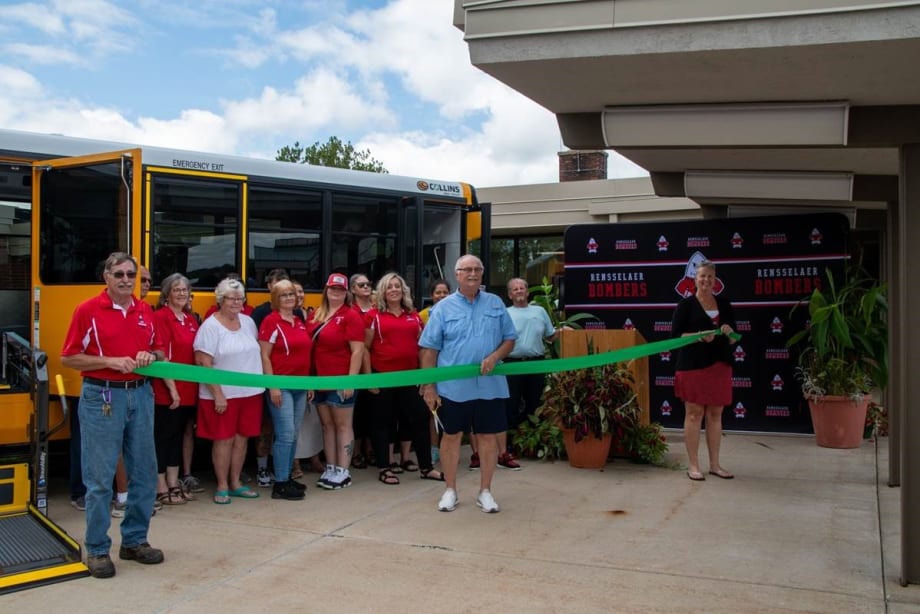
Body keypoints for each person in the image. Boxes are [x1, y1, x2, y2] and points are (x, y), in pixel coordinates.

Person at [60, 251, 166, 579]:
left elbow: (160, 350)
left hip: (141, 394)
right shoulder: (87, 310)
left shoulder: (145, 311)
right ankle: (97, 548)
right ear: (106, 276)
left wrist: (152, 355)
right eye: (118, 274)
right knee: (100, 478)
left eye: (130, 275)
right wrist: (110, 361)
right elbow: (69, 358)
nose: (125, 280)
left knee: (146, 473)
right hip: (101, 395)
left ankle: (134, 541)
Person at [419, 255, 516, 513]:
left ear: (482, 274)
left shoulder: (496, 303)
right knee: (451, 438)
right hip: (452, 388)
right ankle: (450, 490)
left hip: (490, 385)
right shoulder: (442, 308)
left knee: (487, 438)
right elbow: (428, 350)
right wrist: (429, 386)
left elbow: (509, 339)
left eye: (477, 269)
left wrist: (496, 356)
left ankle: (485, 491)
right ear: (457, 275)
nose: (472, 273)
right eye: (467, 270)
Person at [366, 272, 444, 486]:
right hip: (383, 377)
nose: (393, 290)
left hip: (410, 378)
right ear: (383, 291)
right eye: (389, 287)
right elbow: (365, 347)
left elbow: (422, 347)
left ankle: (426, 467)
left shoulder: (413, 315)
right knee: (383, 424)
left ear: (403, 291)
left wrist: (424, 376)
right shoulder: (373, 316)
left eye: (397, 286)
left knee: (419, 420)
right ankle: (385, 467)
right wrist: (369, 377)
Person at [193, 278, 265, 504]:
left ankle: (236, 482)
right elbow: (203, 363)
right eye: (231, 298)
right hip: (222, 396)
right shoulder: (210, 326)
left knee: (242, 439)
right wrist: (218, 394)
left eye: (240, 298)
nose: (236, 302)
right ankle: (222, 484)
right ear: (220, 300)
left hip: (250, 393)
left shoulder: (248, 322)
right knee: (223, 439)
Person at [670, 259, 737, 482]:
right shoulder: (685, 306)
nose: (706, 280)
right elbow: (675, 338)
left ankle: (715, 465)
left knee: (715, 415)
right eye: (702, 276)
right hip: (692, 366)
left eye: (710, 276)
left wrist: (728, 333)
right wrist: (698, 335)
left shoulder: (725, 305)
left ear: (715, 280)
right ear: (695, 279)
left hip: (719, 365)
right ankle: (693, 465)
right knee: (694, 414)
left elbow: (732, 340)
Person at [310, 273, 365, 490]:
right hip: (319, 380)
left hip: (341, 380)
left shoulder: (351, 316)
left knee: (343, 425)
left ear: (346, 293)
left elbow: (358, 350)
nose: (336, 292)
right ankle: (331, 467)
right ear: (326, 290)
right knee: (327, 425)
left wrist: (350, 380)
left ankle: (343, 470)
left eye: (340, 289)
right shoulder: (316, 314)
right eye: (332, 288)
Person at [258, 279, 311, 501]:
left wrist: (309, 384)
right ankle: (279, 482)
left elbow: (305, 354)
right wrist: (273, 386)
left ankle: (287, 477)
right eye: (284, 295)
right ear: (275, 299)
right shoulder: (271, 321)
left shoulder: (298, 321)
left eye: (291, 294)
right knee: (285, 434)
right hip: (281, 385)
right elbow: (264, 355)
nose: (290, 298)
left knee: (294, 434)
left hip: (300, 385)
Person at [151, 273, 199, 506]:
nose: (182, 293)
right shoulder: (161, 317)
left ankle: (173, 481)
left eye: (185, 289)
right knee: (163, 437)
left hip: (189, 389)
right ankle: (160, 485)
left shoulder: (190, 319)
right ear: (167, 293)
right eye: (177, 289)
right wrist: (173, 390)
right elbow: (162, 357)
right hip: (167, 390)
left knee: (179, 437)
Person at [500, 277, 557, 469]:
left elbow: (550, 336)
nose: (518, 291)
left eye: (522, 287)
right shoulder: (505, 314)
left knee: (536, 403)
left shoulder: (540, 311)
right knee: (510, 404)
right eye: (514, 289)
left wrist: (564, 330)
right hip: (511, 364)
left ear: (527, 291)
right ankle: (510, 446)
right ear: (509, 294)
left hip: (535, 364)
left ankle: (533, 442)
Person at [251, 268, 291, 488]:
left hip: (295, 383)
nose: (285, 294)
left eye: (288, 289)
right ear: (269, 288)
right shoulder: (261, 314)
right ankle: (263, 467)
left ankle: (283, 469)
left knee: (287, 430)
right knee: (266, 427)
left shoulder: (298, 314)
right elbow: (260, 351)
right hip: (271, 381)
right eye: (279, 287)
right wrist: (271, 383)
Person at [418, 279, 450, 464]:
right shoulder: (423, 315)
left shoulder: (456, 311)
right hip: (432, 369)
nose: (441, 296)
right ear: (432, 295)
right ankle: (434, 448)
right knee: (433, 412)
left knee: (450, 411)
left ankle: (448, 446)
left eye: (445, 292)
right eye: (438, 292)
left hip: (449, 368)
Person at [349, 273, 375, 470]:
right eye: (361, 285)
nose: (366, 287)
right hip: (357, 368)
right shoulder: (351, 311)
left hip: (378, 365)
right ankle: (356, 452)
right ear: (353, 289)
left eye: (368, 284)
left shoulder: (377, 309)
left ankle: (370, 450)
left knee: (373, 412)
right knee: (357, 413)